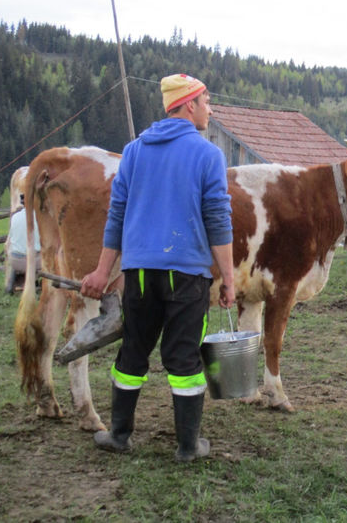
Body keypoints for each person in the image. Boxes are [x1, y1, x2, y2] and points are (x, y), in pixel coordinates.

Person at [81, 73, 236, 463]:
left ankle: (119, 435)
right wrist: (229, 280)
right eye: (205, 102)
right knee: (183, 358)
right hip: (186, 275)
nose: (210, 110)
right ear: (189, 106)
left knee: (134, 350)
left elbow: (117, 214)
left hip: (139, 273)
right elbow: (218, 219)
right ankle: (187, 446)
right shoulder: (208, 155)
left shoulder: (133, 152)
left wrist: (102, 272)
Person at [4, 195, 41, 293]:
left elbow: (10, 239)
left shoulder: (14, 217)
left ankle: (11, 282)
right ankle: (41, 283)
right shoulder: (40, 217)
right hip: (35, 262)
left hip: (15, 261)